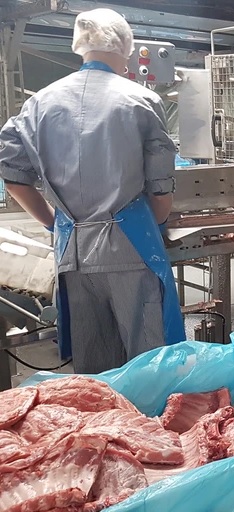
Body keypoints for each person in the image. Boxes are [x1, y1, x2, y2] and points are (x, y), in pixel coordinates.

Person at [0, 8, 185, 373]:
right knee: (150, 360)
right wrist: (151, 223)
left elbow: (13, 177)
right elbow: (160, 191)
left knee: (94, 364)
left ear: (80, 46)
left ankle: (102, 411)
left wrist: (54, 222)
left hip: (72, 250)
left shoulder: (39, 103)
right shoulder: (141, 100)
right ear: (125, 47)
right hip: (131, 246)